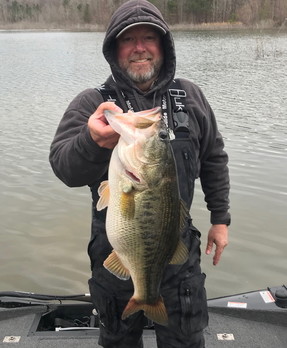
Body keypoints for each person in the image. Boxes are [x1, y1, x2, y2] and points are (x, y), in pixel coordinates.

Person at [49, 0, 230, 347]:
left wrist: (220, 219)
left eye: (149, 38)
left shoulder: (190, 97)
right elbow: (63, 166)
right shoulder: (93, 104)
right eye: (128, 40)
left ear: (164, 46)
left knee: (186, 341)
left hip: (177, 248)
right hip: (115, 249)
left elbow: (213, 158)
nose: (139, 48)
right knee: (118, 341)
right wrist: (91, 141)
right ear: (114, 49)